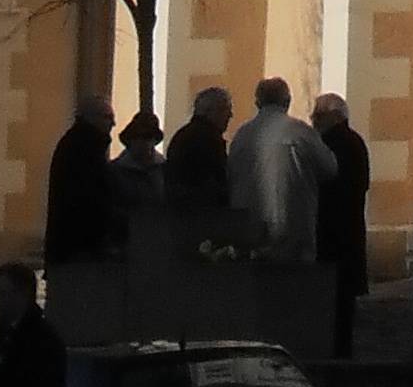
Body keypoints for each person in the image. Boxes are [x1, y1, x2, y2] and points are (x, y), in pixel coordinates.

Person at [226, 75, 332, 263]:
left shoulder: (241, 135)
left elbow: (231, 174)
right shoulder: (300, 132)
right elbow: (329, 168)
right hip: (294, 222)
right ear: (288, 101)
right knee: (293, 284)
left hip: (249, 225)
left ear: (257, 103)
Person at [314, 91, 372, 350]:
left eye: (318, 114)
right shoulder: (354, 142)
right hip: (348, 232)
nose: (313, 119)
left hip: (331, 232)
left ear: (334, 117)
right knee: (343, 305)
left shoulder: (330, 145)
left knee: (333, 303)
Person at [41, 99, 118, 271]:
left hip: (72, 244)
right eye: (108, 117)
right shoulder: (85, 147)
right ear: (91, 118)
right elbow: (91, 197)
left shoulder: (79, 143)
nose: (113, 123)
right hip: (80, 245)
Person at [164, 84, 233, 214]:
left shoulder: (184, 135)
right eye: (225, 109)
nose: (230, 115)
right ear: (210, 111)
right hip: (200, 216)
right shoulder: (208, 139)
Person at [110, 108, 168, 222]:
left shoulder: (165, 169)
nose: (144, 143)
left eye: (148, 137)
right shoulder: (115, 171)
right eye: (138, 137)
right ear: (130, 140)